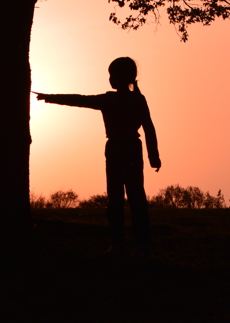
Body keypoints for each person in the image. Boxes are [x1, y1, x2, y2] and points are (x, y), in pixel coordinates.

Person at [35, 57, 160, 255]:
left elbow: (80, 100)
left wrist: (49, 97)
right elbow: (149, 128)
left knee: (118, 198)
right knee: (134, 197)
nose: (110, 79)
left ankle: (122, 244)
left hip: (118, 148)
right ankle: (140, 244)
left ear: (121, 77)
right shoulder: (136, 99)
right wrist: (154, 156)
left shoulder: (113, 99)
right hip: (130, 148)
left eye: (112, 75)